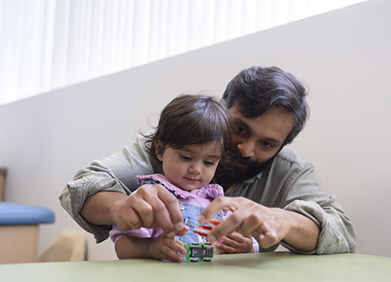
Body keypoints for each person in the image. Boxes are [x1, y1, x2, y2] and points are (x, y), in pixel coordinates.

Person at [59, 66, 356, 255]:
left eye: (267, 144)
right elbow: (80, 187)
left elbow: (342, 230)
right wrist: (119, 206)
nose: (246, 150)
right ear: (221, 109)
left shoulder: (289, 170)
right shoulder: (173, 142)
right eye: (240, 129)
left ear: (282, 145)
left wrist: (284, 220)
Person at [109, 94, 258, 262]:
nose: (196, 169)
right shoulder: (150, 197)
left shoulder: (218, 202)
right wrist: (151, 247)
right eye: (186, 158)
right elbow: (122, 246)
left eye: (209, 162)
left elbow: (244, 242)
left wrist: (248, 247)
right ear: (160, 149)